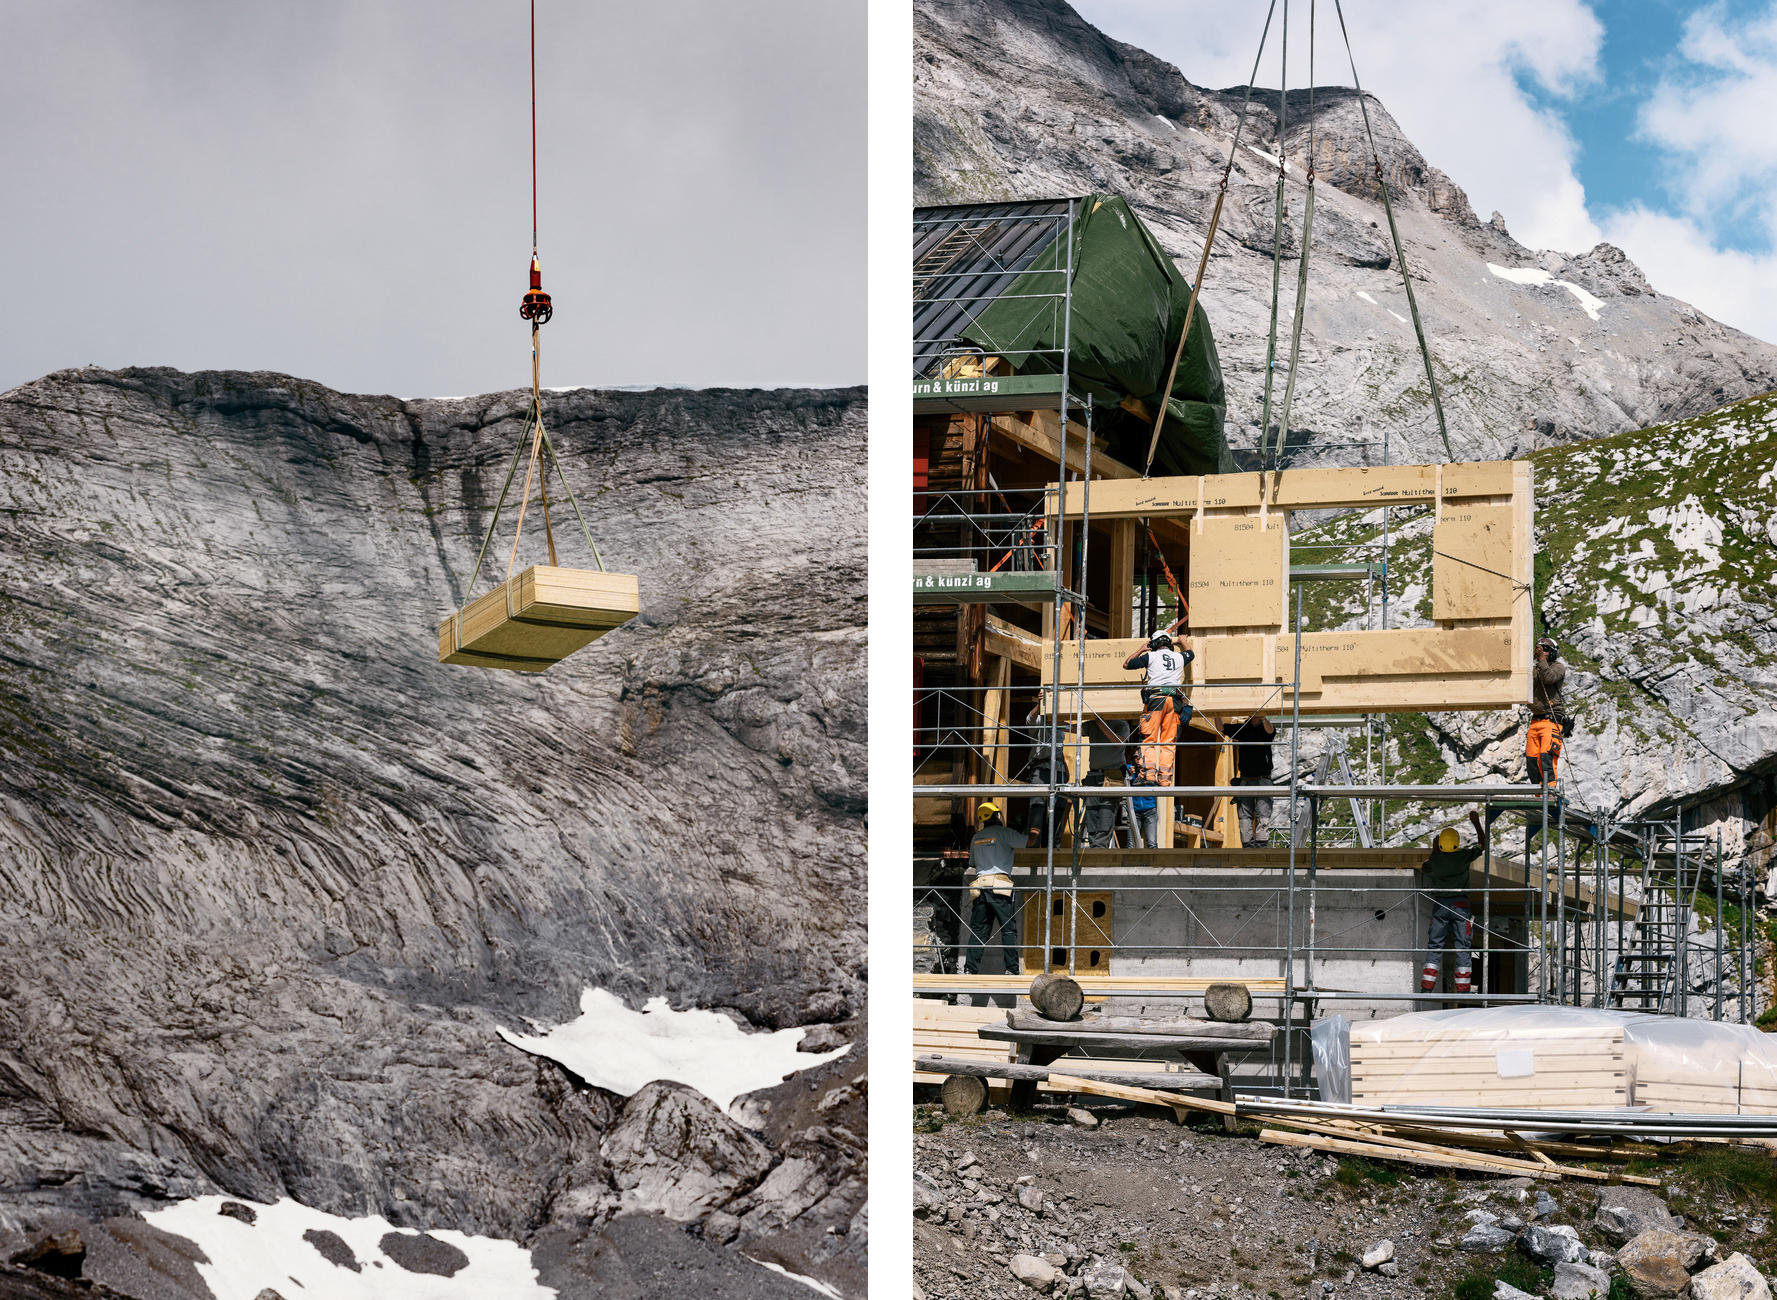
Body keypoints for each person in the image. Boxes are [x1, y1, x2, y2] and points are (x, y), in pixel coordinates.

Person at [1421, 810, 1485, 993]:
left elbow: (1425, 868)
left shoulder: (1436, 860)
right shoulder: (1463, 856)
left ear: (1440, 845)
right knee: (1462, 947)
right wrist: (1476, 822)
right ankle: (1463, 989)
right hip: (1460, 906)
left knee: (1435, 945)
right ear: (1456, 844)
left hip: (1441, 905)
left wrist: (1435, 852)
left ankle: (1426, 988)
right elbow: (1482, 844)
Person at [965, 802, 1025, 976]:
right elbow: (1029, 842)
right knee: (1008, 929)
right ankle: (1012, 969)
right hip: (1000, 886)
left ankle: (970, 968)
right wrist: (1036, 827)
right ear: (997, 816)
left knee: (979, 930)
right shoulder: (1005, 833)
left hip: (979, 886)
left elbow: (972, 863)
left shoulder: (976, 838)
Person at [1122, 619, 1194, 725]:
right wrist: (1182, 640)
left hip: (1156, 698)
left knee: (1150, 735)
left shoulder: (1150, 656)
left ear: (1154, 644)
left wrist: (1141, 649)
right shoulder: (1179, 657)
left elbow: (1127, 664)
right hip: (1174, 700)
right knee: (1170, 736)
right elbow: (1190, 654)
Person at [1226, 713, 1276, 847]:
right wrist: (1215, 714)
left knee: (1263, 812)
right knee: (1244, 813)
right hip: (1246, 777)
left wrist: (1264, 717)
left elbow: (1271, 732)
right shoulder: (1242, 729)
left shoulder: (1265, 727)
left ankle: (1261, 844)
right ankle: (1247, 844)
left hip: (1263, 778)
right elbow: (1221, 727)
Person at [1128, 764, 1158, 848]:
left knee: (1152, 844)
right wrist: (1129, 770)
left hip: (1150, 809)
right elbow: (1122, 773)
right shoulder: (1130, 769)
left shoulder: (1150, 768)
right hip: (1133, 810)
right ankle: (1130, 861)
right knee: (1131, 844)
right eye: (1136, 757)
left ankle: (1154, 861)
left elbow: (1159, 781)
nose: (1138, 759)